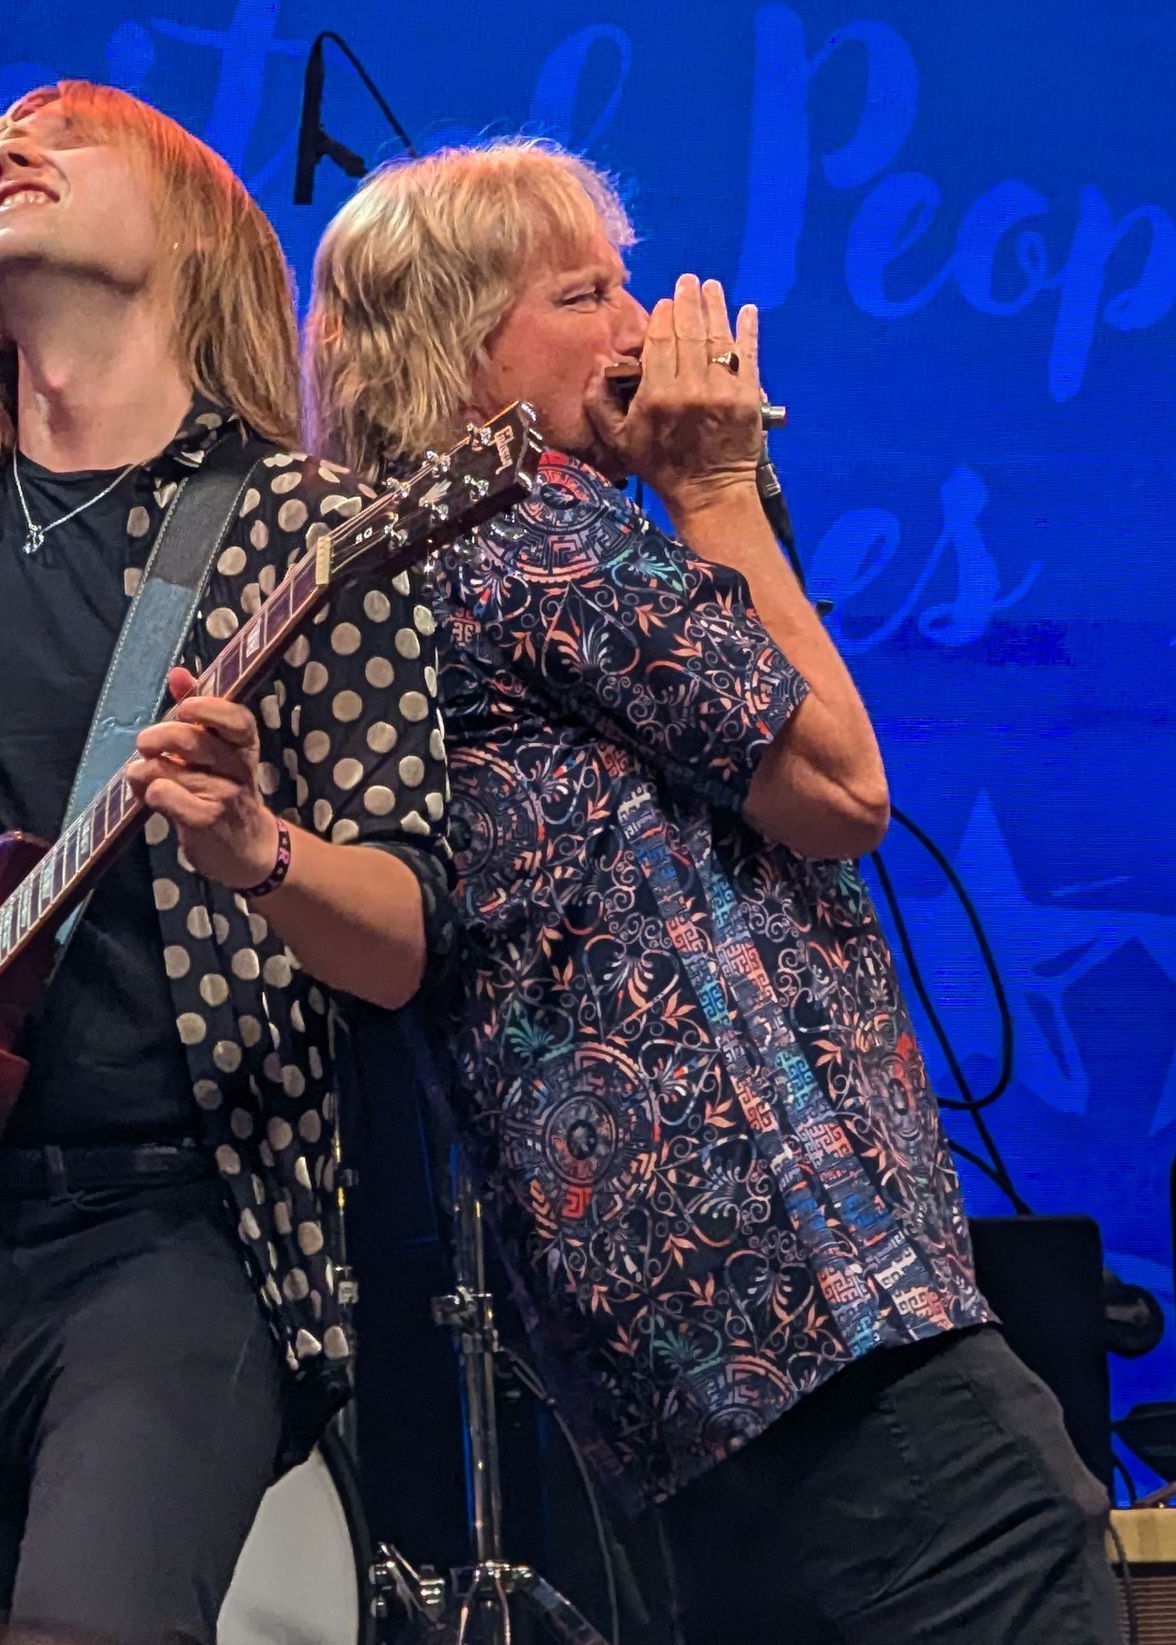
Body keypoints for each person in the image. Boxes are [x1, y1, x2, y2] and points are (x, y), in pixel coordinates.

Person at [304, 140, 1121, 1645]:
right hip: (795, 1289)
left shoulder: (452, 552)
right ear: (456, 350)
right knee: (1020, 1556)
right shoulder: (522, 531)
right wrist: (721, 485)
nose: (648, 326)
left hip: (686, 1330)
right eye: (587, 294)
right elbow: (838, 789)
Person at [0, 81, 451, 1644]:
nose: (18, 146)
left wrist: (258, 850)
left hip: (175, 1228)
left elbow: (402, 938)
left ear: (198, 229)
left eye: (75, 132)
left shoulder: (310, 534)